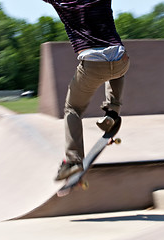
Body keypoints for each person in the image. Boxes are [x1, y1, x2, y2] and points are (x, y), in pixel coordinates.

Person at [42, 0, 130, 181]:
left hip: (92, 64)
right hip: (121, 60)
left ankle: (73, 160)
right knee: (116, 69)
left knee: (72, 109)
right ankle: (112, 114)